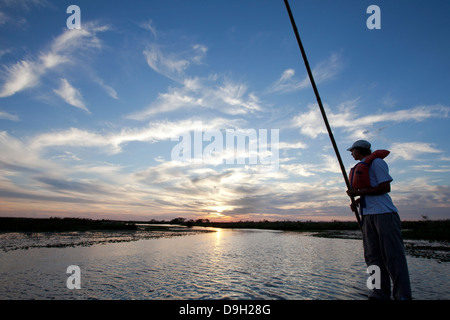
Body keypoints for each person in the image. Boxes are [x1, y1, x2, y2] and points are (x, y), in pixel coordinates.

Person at [346, 140, 412, 300]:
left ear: (358, 150)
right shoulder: (362, 165)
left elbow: (385, 188)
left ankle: (402, 295)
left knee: (393, 256)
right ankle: (379, 292)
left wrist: (359, 193)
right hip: (367, 215)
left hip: (384, 214)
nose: (350, 153)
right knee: (372, 256)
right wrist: (358, 199)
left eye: (352, 150)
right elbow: (369, 190)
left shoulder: (377, 163)